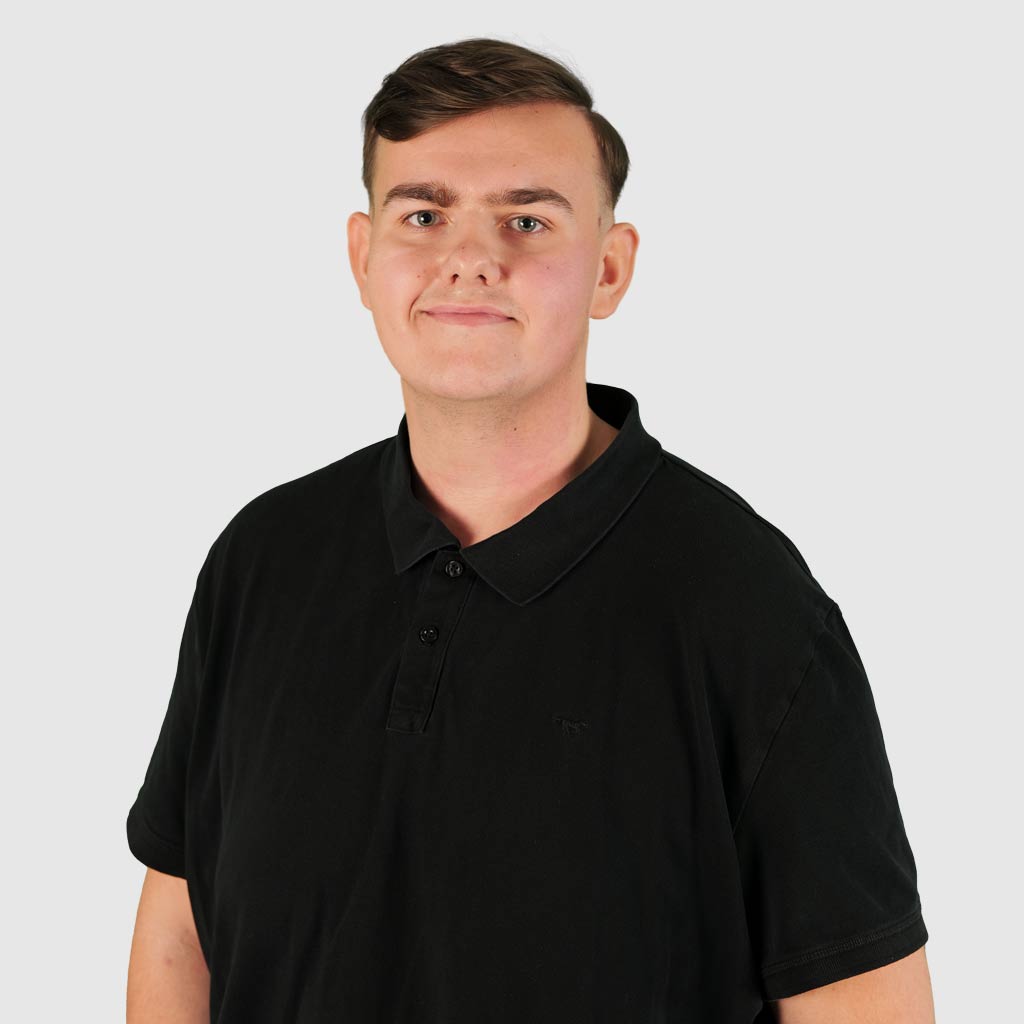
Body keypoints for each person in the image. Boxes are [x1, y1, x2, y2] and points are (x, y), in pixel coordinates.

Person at [125, 37, 935, 1023]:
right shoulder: (264, 558)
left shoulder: (746, 603)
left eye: (526, 220)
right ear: (363, 257)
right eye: (423, 215)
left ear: (609, 269)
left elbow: (865, 1000)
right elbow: (178, 933)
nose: (469, 258)